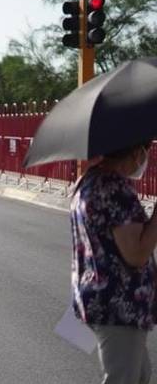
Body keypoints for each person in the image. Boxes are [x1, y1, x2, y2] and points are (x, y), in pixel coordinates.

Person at [71, 141, 157, 384]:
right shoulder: (115, 190)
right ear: (135, 152)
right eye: (146, 149)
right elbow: (136, 253)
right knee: (123, 378)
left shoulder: (90, 180)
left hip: (101, 299)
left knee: (140, 376)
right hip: (119, 306)